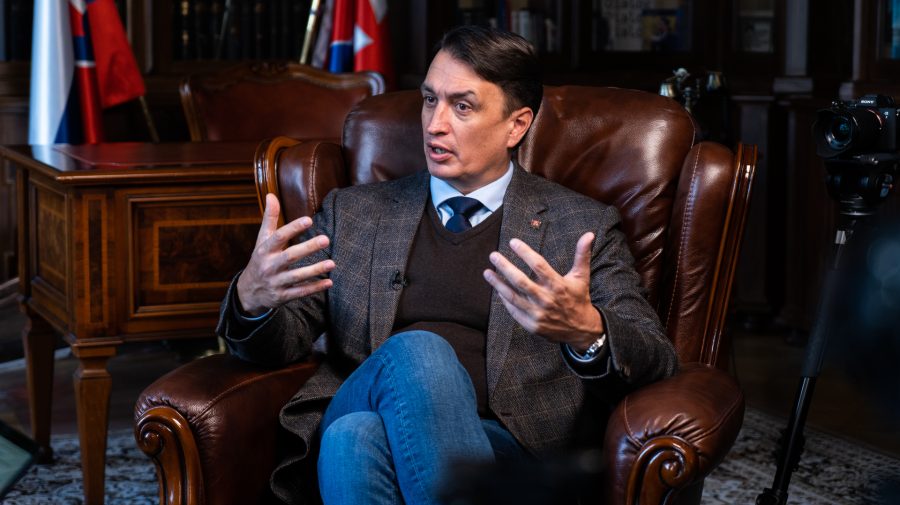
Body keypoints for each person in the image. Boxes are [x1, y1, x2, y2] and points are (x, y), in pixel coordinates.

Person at [218, 25, 677, 505]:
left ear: (516, 126)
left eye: (462, 107)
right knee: (417, 352)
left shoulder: (579, 227)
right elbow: (282, 342)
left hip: (507, 449)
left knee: (354, 438)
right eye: (429, 99)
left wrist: (587, 331)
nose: (434, 124)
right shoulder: (354, 213)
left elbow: (656, 358)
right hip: (362, 399)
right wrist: (252, 300)